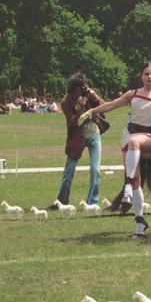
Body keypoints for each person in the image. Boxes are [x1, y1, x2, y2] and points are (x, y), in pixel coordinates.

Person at [82, 62, 151, 238]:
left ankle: (127, 186)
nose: (150, 77)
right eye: (146, 74)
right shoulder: (133, 94)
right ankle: (140, 223)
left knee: (134, 144)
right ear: (141, 76)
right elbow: (112, 105)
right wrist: (91, 112)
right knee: (136, 179)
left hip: (149, 136)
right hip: (129, 133)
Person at [54, 73, 102, 211]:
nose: (84, 89)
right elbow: (74, 123)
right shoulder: (65, 103)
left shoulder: (89, 95)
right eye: (81, 87)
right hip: (77, 138)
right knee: (69, 171)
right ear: (75, 88)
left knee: (95, 170)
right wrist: (81, 108)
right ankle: (62, 201)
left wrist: (95, 97)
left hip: (94, 135)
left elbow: (103, 107)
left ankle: (92, 203)